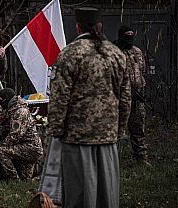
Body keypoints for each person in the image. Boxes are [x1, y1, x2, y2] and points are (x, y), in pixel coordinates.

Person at [48, 7, 131, 208]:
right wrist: (119, 130)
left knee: (79, 192)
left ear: (78, 27)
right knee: (107, 192)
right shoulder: (116, 54)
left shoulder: (69, 54)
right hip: (107, 135)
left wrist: (56, 131)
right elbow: (126, 97)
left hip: (77, 137)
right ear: (99, 26)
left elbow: (59, 98)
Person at [0, 88, 43, 180]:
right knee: (25, 180)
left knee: (1, 152)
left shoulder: (20, 112)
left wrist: (4, 145)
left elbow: (15, 135)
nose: (0, 102)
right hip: (30, 146)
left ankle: (14, 180)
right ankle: (22, 184)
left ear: (7, 100)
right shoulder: (13, 107)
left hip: (30, 147)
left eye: (1, 100)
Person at [113, 25, 151, 166]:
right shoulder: (114, 52)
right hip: (119, 98)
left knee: (138, 128)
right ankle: (111, 161)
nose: (129, 38)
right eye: (126, 35)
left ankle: (141, 158)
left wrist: (139, 89)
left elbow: (141, 71)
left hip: (137, 97)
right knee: (115, 130)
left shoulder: (137, 52)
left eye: (131, 35)